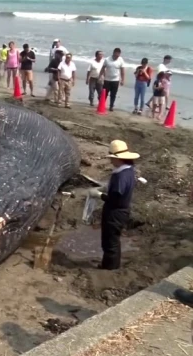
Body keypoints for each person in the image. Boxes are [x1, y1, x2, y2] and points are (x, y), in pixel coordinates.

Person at [88, 140, 139, 270]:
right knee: (113, 240)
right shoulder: (129, 170)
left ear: (120, 159)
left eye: (112, 158)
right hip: (122, 211)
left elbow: (115, 198)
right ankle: (112, 264)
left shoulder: (120, 176)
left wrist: (99, 195)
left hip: (115, 212)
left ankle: (109, 268)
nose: (111, 161)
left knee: (109, 242)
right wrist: (107, 188)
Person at [99, 48, 125, 112]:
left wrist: (122, 80)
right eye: (116, 54)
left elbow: (122, 71)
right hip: (107, 80)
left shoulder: (121, 60)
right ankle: (102, 105)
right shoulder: (107, 59)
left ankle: (111, 106)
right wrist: (100, 76)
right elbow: (103, 68)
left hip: (115, 80)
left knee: (113, 94)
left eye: (118, 55)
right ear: (113, 53)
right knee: (105, 93)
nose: (117, 56)